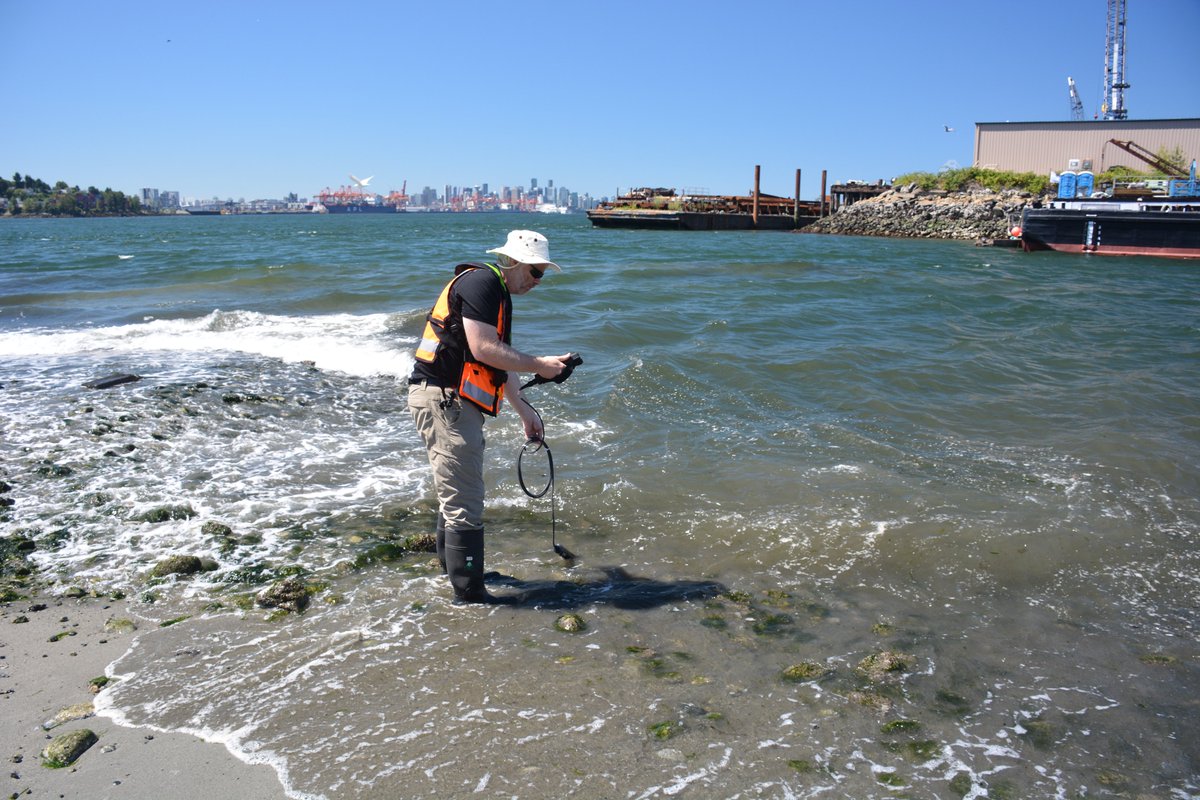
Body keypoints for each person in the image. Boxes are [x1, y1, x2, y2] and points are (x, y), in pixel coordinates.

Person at [408, 230, 573, 604]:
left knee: (457, 490)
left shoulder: (492, 290)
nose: (537, 282)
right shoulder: (484, 283)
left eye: (542, 274)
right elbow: (485, 349)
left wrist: (524, 410)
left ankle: (454, 573)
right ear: (514, 263)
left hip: (449, 401)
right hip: (444, 401)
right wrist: (541, 366)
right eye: (536, 273)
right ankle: (471, 596)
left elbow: (497, 357)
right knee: (465, 499)